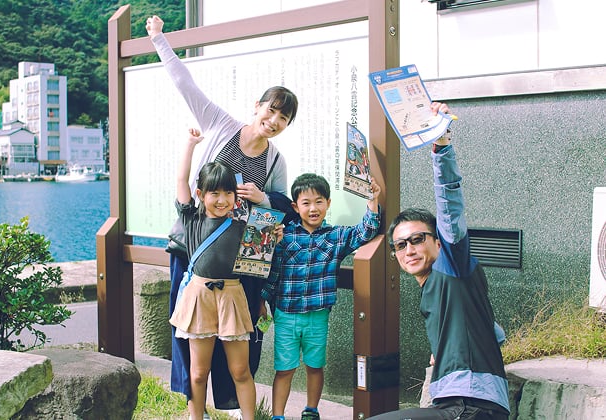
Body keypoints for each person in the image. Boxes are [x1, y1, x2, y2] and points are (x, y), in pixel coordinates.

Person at [145, 15, 300, 413]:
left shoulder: (275, 160)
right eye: (271, 111)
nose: (274, 121)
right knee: (189, 331)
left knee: (238, 337)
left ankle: (232, 404)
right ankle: (191, 404)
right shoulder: (219, 124)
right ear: (257, 107)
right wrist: (159, 39)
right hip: (195, 246)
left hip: (242, 259)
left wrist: (263, 198)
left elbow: (283, 208)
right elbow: (185, 84)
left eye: (283, 119)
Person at [368, 103, 510, 419]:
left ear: (438, 242)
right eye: (400, 245)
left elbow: (449, 204)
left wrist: (441, 144)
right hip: (456, 404)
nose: (409, 249)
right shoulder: (438, 290)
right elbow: (495, 333)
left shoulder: (451, 270)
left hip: (471, 404)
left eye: (417, 239)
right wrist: (448, 348)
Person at [261, 173, 382, 420]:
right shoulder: (284, 236)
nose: (313, 208)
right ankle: (278, 416)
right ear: (296, 207)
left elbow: (366, 231)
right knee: (284, 369)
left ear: (328, 203)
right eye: (306, 203)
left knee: (315, 366)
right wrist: (262, 301)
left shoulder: (336, 236)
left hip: (318, 316)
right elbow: (272, 273)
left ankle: (311, 410)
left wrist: (373, 200)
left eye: (319, 201)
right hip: (286, 315)